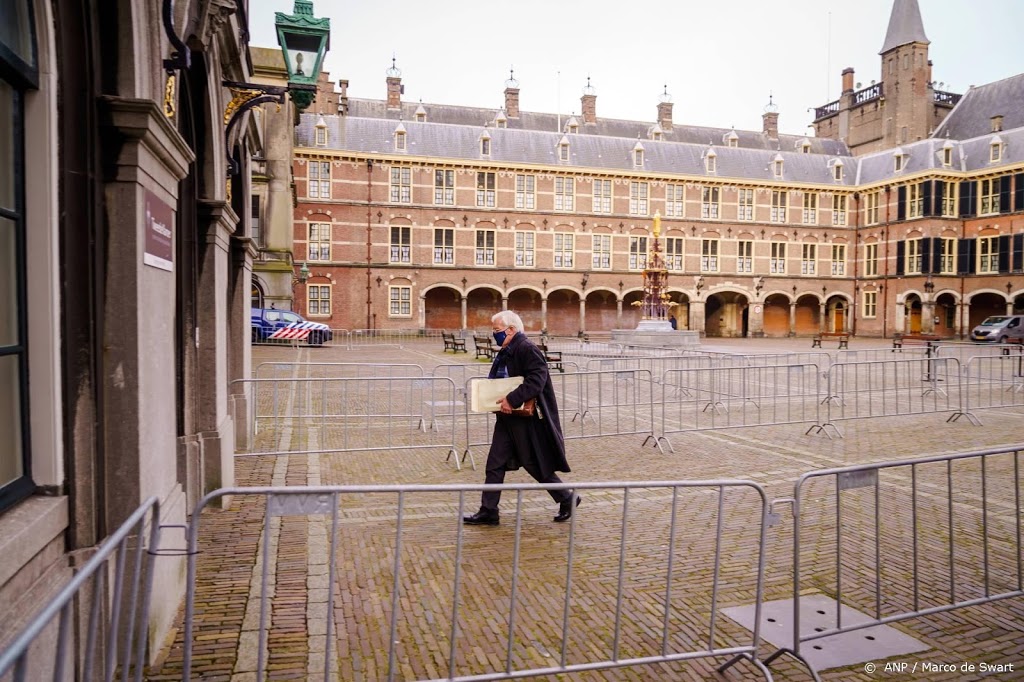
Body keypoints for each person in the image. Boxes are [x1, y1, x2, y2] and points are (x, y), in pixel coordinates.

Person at [463, 310, 579, 526]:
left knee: (532, 462)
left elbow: (537, 378)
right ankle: (489, 511)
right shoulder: (507, 349)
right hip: (507, 417)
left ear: (511, 329)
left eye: (496, 330)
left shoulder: (526, 348)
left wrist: (512, 399)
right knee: (494, 464)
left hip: (524, 419)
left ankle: (567, 497)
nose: (494, 334)